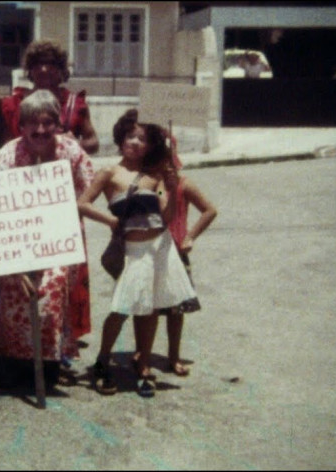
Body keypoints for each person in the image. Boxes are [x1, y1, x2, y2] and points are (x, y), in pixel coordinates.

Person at [77, 109, 200, 398]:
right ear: (121, 138)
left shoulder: (155, 177)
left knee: (151, 307)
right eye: (131, 136)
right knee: (122, 308)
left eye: (142, 139)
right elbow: (82, 203)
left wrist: (171, 188)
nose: (135, 142)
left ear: (149, 146)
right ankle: (102, 360)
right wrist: (110, 221)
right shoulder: (110, 173)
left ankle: (143, 364)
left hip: (161, 246)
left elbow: (165, 215)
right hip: (132, 250)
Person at [0, 90, 95, 388]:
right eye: (32, 123)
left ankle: (48, 363)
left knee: (51, 296)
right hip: (16, 236)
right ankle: (14, 364)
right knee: (14, 298)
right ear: (21, 126)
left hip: (59, 236)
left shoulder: (71, 151)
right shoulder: (7, 155)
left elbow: (89, 190)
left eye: (47, 122)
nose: (40, 130)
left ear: (58, 124)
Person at [138, 136, 217, 376]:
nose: (168, 167)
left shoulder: (185, 184)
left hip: (177, 253)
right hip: (153, 250)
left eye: (170, 162)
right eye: (163, 162)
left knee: (176, 311)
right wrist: (166, 189)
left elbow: (209, 210)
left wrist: (191, 236)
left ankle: (174, 356)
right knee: (148, 307)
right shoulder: (156, 185)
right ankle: (143, 353)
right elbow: (162, 209)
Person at [0, 39, 99, 155]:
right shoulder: (14, 104)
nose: (44, 69)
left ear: (61, 70)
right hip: (24, 166)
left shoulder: (74, 104)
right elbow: (6, 145)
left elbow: (93, 142)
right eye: (37, 64)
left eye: (50, 64)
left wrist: (74, 144)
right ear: (30, 70)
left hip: (63, 165)